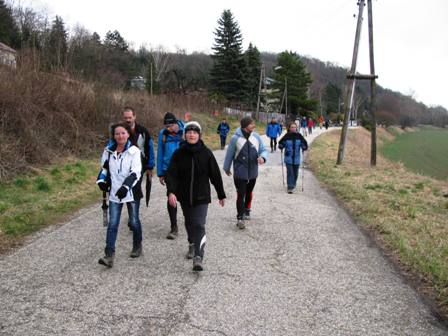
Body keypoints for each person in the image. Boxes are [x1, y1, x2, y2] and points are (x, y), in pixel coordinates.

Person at [166, 121, 226, 271]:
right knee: (189, 222)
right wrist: (171, 191)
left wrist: (221, 194)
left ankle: (198, 256)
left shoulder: (206, 153)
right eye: (189, 132)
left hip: (201, 196)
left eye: (194, 132)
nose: (191, 134)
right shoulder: (179, 153)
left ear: (199, 135)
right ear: (185, 135)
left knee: (199, 224)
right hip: (184, 196)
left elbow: (215, 175)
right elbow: (172, 174)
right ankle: (192, 243)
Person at [97, 123, 143, 268]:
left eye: (123, 133)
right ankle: (109, 255)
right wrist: (101, 180)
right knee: (112, 224)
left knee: (134, 221)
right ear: (114, 136)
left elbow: (136, 172)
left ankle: (137, 245)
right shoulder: (108, 151)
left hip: (131, 191)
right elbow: (104, 168)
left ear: (128, 134)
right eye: (117, 134)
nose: (120, 136)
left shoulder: (134, 151)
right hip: (114, 194)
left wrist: (125, 186)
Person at [223, 116, 268, 229]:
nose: (253, 125)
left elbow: (263, 150)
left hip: (253, 171)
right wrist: (226, 168)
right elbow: (230, 154)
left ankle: (247, 209)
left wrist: (262, 157)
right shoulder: (235, 138)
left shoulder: (256, 136)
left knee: (249, 192)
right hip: (240, 172)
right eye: (251, 124)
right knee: (241, 193)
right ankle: (240, 217)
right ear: (245, 126)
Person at [122, 107, 155, 230]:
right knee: (126, 190)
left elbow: (150, 148)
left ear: (134, 117)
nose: (128, 120)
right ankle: (132, 215)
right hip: (123, 168)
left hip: (139, 167)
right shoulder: (120, 131)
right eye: (125, 118)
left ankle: (133, 218)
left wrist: (150, 166)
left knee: (135, 190)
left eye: (130, 118)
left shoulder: (143, 131)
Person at [157, 112, 184, 239]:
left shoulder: (185, 131)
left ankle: (191, 220)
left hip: (184, 169)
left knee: (185, 197)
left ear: (176, 123)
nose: (168, 128)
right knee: (171, 196)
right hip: (169, 170)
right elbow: (160, 153)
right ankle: (174, 227)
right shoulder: (163, 134)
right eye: (166, 126)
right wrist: (160, 173)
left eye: (170, 125)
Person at [278, 122, 308, 194]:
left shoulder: (299, 136)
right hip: (288, 158)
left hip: (297, 158)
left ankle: (293, 184)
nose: (293, 128)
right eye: (292, 127)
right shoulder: (287, 136)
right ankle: (290, 187)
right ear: (289, 128)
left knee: (296, 173)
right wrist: (281, 146)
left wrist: (304, 147)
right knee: (290, 172)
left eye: (295, 127)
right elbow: (281, 143)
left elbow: (304, 143)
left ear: (296, 128)